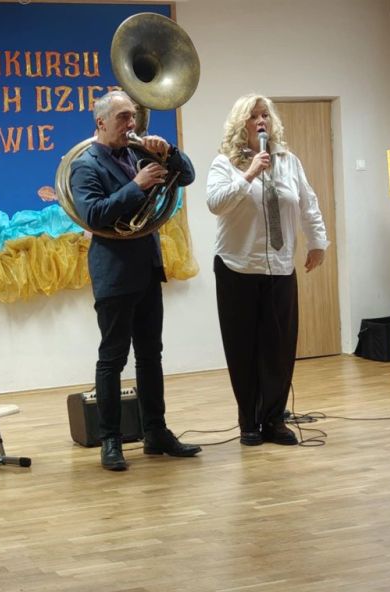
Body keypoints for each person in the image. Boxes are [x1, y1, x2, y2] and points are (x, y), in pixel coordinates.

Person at [70, 90, 201, 471]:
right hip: (113, 271)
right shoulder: (85, 165)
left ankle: (155, 431)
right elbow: (94, 215)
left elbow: (187, 176)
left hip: (146, 266)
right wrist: (137, 186)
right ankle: (111, 440)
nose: (133, 124)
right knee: (113, 358)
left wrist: (169, 152)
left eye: (133, 116)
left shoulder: (138, 152)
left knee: (150, 355)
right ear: (101, 122)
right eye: (124, 117)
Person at [206, 93, 328, 446]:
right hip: (237, 266)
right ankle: (248, 421)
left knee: (279, 347)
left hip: (280, 265)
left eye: (265, 116)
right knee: (243, 347)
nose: (261, 121)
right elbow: (215, 204)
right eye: (253, 116)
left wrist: (317, 242)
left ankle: (273, 420)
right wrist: (248, 174)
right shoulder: (224, 163)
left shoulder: (289, 161)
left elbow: (307, 203)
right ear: (240, 124)